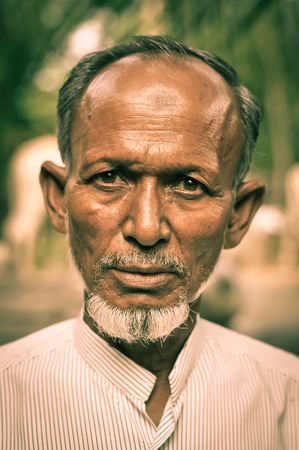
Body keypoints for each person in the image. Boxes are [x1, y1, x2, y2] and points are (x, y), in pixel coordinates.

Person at [0, 35, 298, 450]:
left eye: (189, 185)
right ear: (57, 199)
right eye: (110, 177)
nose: (145, 228)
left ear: (239, 215)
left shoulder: (289, 402)